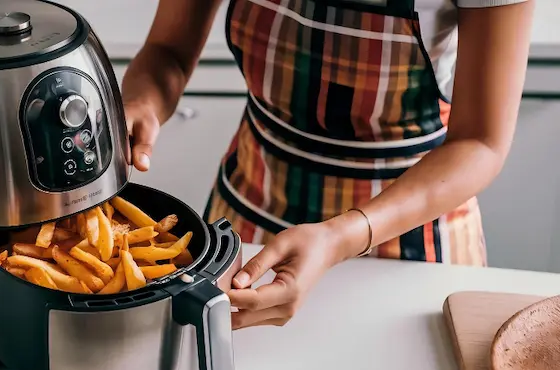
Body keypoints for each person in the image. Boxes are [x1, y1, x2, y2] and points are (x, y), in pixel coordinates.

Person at [121, 0, 534, 329]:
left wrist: (341, 236)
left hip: (413, 236)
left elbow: (481, 141)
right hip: (250, 223)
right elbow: (167, 51)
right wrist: (142, 102)